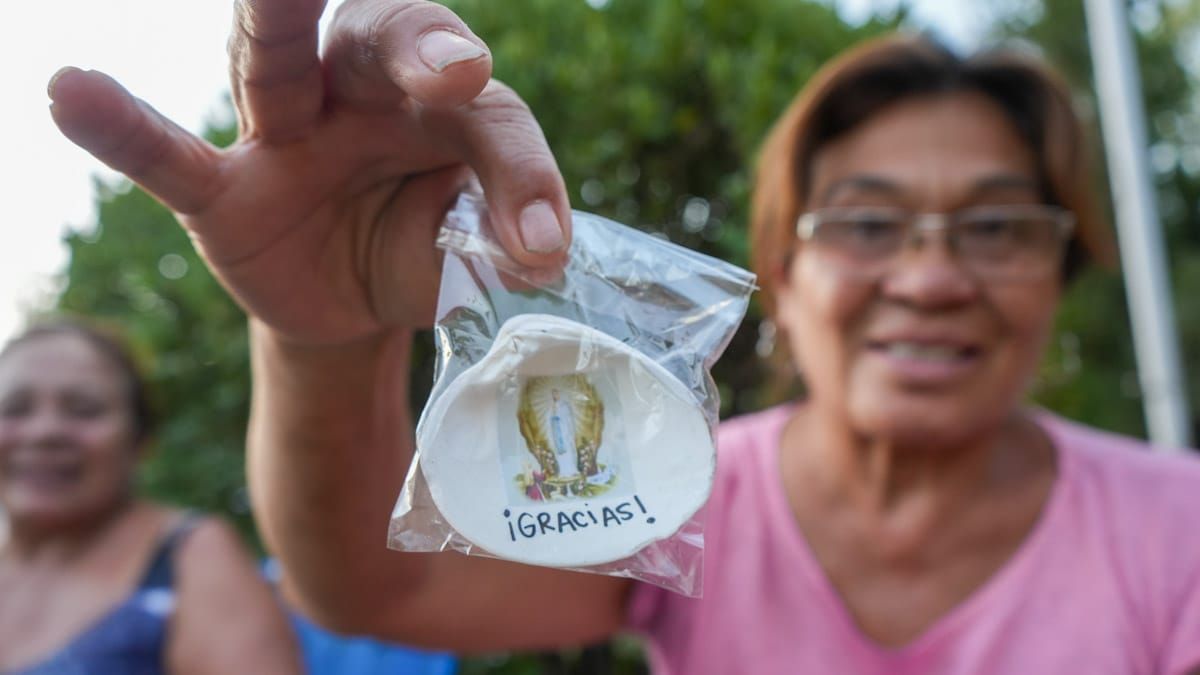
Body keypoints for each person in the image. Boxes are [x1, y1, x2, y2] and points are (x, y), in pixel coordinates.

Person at [46, 2, 1200, 672]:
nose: (934, 275)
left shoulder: (1177, 529)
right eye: (868, 223)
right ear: (784, 281)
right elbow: (367, 593)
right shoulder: (683, 487)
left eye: (998, 225)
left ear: (1064, 270)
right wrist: (328, 340)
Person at [0, 319, 302, 674]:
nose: (45, 432)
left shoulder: (191, 557)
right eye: (15, 409)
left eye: (84, 410)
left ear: (139, 438)